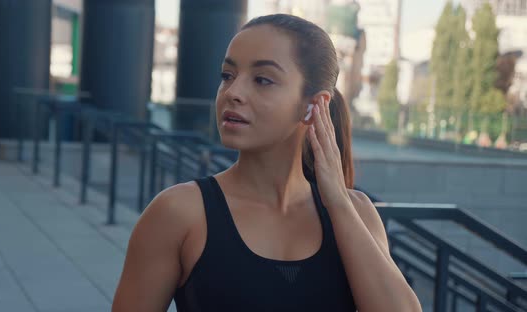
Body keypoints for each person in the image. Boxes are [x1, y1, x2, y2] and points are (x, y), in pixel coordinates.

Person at [112, 14, 422, 312]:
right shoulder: (179, 213)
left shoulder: (356, 213)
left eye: (262, 80)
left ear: (313, 106)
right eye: (227, 75)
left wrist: (338, 203)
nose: (233, 92)